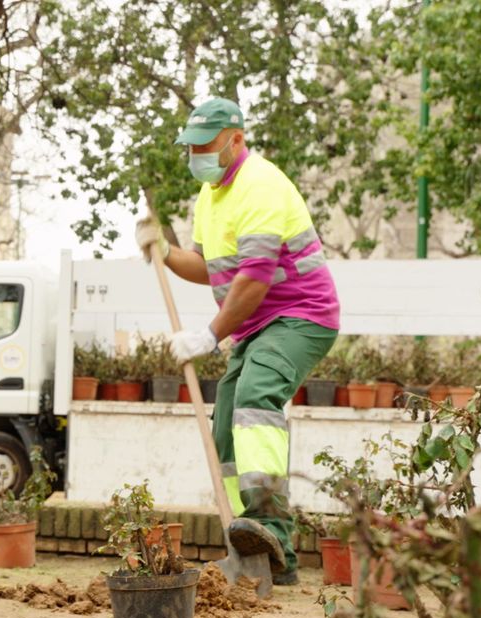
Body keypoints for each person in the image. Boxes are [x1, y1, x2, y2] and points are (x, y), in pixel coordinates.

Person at [135, 98, 340, 586]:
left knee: (255, 396)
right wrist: (164, 251)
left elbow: (254, 279)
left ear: (236, 139)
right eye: (191, 147)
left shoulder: (261, 185)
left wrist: (209, 335)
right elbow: (207, 267)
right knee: (226, 421)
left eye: (205, 146)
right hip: (256, 325)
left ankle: (271, 527)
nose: (196, 155)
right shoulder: (210, 196)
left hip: (301, 316)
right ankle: (255, 545)